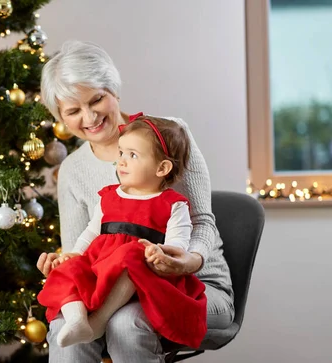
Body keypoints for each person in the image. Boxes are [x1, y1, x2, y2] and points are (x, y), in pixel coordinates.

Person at [36, 40, 234, 363]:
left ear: (113, 90)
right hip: (115, 290)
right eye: (73, 111)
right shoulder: (72, 170)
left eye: (97, 99)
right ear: (61, 116)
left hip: (197, 287)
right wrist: (62, 262)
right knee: (65, 324)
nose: (89, 116)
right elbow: (79, 252)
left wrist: (188, 261)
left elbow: (202, 223)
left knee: (125, 323)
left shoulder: (170, 136)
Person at [37, 114, 208, 349]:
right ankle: (77, 320)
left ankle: (98, 321)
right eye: (121, 153)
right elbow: (90, 232)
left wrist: (164, 255)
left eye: (133, 155)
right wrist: (74, 255)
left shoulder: (172, 204)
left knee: (133, 252)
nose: (122, 162)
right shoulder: (109, 196)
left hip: (141, 276)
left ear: (162, 167)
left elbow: (178, 244)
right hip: (101, 270)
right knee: (70, 267)